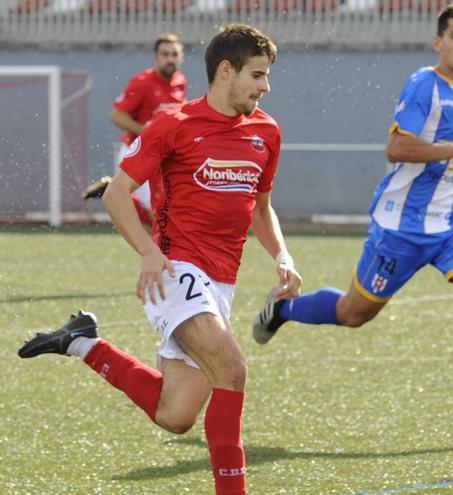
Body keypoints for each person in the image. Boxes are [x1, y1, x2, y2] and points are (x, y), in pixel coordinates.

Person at [19, 24, 297, 495]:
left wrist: (282, 255)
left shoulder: (266, 131)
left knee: (176, 414)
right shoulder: (174, 123)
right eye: (258, 75)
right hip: (175, 270)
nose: (265, 86)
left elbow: (261, 206)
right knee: (232, 369)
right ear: (225, 71)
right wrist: (149, 251)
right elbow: (118, 195)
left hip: (221, 284)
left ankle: (82, 342)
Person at [252, 3, 453, 433]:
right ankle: (283, 309)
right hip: (401, 227)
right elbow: (397, 149)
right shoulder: (424, 85)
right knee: (354, 313)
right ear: (438, 42)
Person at [82, 33, 187, 225]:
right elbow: (116, 115)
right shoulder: (142, 82)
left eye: (174, 54)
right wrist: (146, 130)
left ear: (181, 57)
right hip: (138, 151)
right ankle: (162, 252)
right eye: (165, 54)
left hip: (163, 154)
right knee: (157, 212)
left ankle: (112, 189)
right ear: (156, 57)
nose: (170, 59)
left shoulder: (180, 81)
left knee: (162, 209)